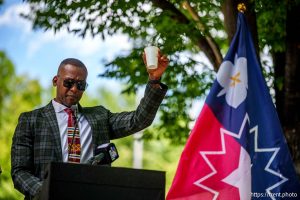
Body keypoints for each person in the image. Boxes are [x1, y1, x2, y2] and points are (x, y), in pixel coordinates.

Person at [11, 50, 169, 199]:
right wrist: (47, 192)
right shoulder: (30, 120)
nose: (74, 89)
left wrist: (154, 80)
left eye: (80, 85)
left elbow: (139, 120)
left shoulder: (99, 116)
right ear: (55, 81)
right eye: (69, 82)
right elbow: (19, 172)